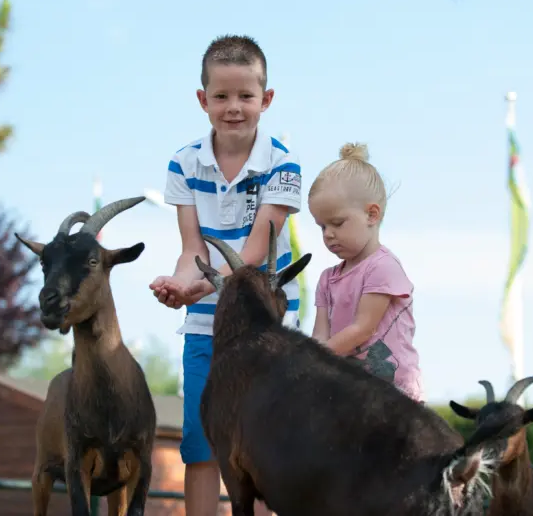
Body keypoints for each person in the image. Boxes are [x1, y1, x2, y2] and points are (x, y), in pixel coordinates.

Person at [149, 34, 302, 516]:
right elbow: (191, 247)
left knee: (260, 437)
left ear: (266, 100)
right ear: (203, 100)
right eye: (221, 96)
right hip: (205, 323)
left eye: (245, 96)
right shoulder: (183, 162)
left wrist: (196, 282)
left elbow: (255, 251)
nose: (233, 107)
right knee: (200, 439)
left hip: (265, 324)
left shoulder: (283, 163)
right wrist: (179, 284)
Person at [307, 142, 425, 403]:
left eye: (337, 223)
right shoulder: (327, 279)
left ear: (372, 215)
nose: (328, 234)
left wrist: (313, 360)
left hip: (394, 394)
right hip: (350, 391)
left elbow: (362, 328)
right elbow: (320, 334)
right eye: (321, 226)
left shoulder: (382, 267)